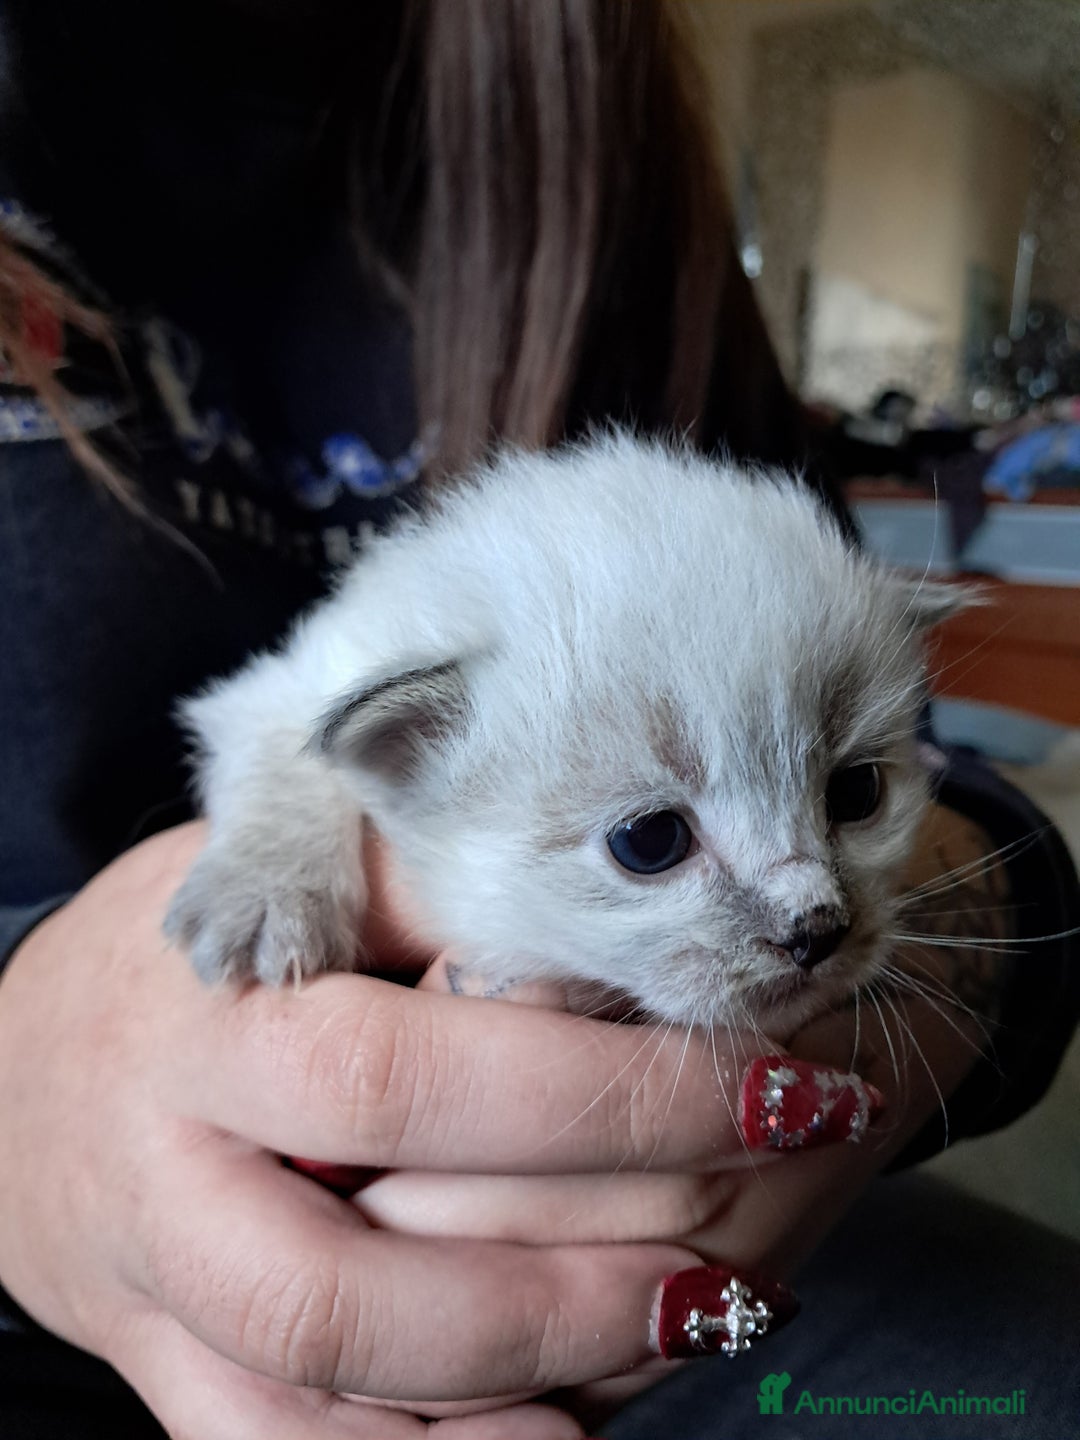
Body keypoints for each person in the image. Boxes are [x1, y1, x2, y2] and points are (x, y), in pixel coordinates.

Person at [0, 3, 1077, 1438]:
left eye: (849, 798)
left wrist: (977, 925)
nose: (812, 907)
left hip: (707, 1236)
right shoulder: (398, 669)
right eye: (648, 837)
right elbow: (283, 720)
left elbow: (948, 812)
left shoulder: (594, 104)